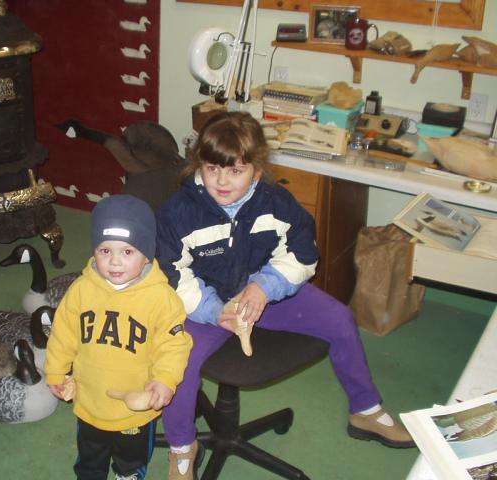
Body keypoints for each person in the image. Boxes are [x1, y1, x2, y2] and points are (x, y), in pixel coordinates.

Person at [155, 111, 415, 480]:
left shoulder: (276, 202)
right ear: (200, 165)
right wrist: (213, 311)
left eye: (235, 171)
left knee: (340, 319)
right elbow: (171, 275)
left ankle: (365, 410)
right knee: (177, 363)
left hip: (265, 294)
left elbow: (302, 254)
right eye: (212, 169)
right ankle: (182, 448)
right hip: (204, 305)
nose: (222, 181)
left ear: (256, 171)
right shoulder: (178, 214)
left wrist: (265, 287)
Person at [45, 194, 193, 480]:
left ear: (146, 254)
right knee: (90, 456)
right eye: (104, 250)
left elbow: (174, 345)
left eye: (127, 251)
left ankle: (128, 474)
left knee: (131, 459)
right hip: (90, 401)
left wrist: (165, 378)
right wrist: (56, 371)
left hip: (135, 407)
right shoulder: (81, 290)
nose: (114, 261)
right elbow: (63, 334)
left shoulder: (161, 298)